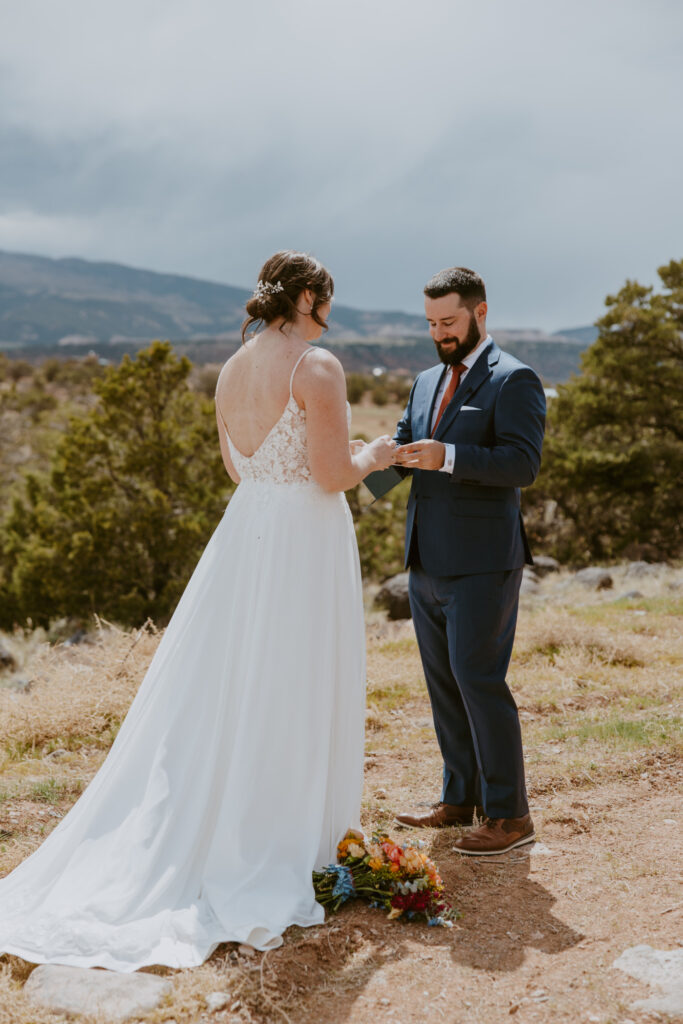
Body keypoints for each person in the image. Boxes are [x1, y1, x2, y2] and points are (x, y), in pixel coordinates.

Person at [0, 250, 396, 970]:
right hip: (304, 538)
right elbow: (334, 475)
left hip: (248, 534)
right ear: (308, 297)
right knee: (293, 678)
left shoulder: (233, 366)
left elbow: (236, 466)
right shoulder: (317, 366)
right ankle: (287, 837)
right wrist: (377, 453)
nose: (327, 311)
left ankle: (237, 816)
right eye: (325, 298)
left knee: (234, 682)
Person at [392, 266, 546, 856]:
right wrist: (364, 465)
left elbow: (521, 465)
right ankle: (460, 799)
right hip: (425, 559)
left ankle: (509, 816)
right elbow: (410, 446)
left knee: (480, 682)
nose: (440, 333)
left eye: (449, 321)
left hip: (484, 563)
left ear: (481, 313)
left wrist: (450, 455)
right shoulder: (425, 379)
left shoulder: (516, 380)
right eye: (431, 323)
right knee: (444, 686)